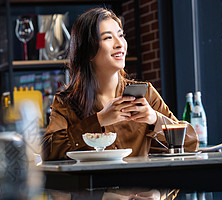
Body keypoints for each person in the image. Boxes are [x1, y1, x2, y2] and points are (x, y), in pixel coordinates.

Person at [42, 7, 198, 160]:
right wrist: (99, 120)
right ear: (88, 50)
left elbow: (191, 143)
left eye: (121, 35)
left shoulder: (146, 94)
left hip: (139, 185)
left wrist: (154, 119)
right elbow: (47, 151)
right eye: (108, 37)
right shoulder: (66, 102)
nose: (120, 44)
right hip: (93, 185)